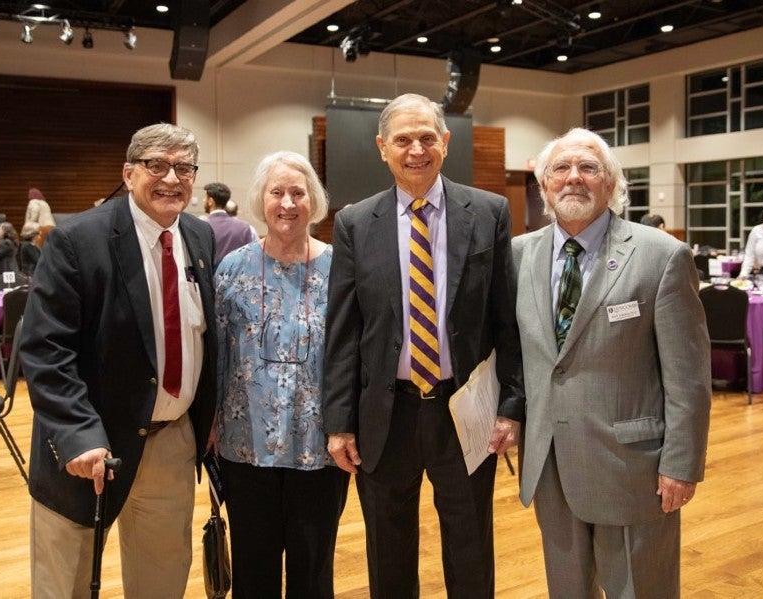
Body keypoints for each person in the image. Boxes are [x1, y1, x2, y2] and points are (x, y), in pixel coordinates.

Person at [323, 93, 525, 598]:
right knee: (387, 548)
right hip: (385, 414)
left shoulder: (489, 212)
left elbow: (507, 320)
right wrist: (339, 421)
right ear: (382, 148)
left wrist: (511, 407)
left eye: (427, 137)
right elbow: (344, 332)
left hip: (464, 408)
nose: (417, 149)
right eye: (403, 139)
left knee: (471, 544)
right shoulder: (353, 223)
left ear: (446, 142)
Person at [20, 123, 218, 598]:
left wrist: (209, 416)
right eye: (156, 165)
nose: (172, 177)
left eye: (184, 167)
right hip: (90, 450)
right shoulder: (77, 240)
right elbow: (46, 350)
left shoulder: (200, 237)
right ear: (128, 174)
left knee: (162, 582)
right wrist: (79, 436)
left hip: (171, 443)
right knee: (65, 582)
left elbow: (208, 340)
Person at [513, 127, 711, 598]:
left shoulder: (661, 255)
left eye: (589, 168)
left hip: (632, 467)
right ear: (544, 186)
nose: (573, 178)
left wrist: (681, 464)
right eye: (560, 168)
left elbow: (689, 377)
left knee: (640, 589)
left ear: (611, 183)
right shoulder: (519, 255)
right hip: (550, 462)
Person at [214, 151, 349, 598]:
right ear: (261, 200)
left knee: (314, 573)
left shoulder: (342, 270)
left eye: (298, 192)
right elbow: (216, 354)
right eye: (277, 192)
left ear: (314, 200)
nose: (288, 203)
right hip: (244, 447)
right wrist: (209, 424)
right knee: (254, 573)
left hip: (321, 448)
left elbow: (357, 355)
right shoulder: (231, 270)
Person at [204, 181, 256, 267]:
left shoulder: (201, 227)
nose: (203, 200)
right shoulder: (245, 228)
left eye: (205, 198)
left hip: (211, 279)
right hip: (239, 278)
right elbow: (252, 258)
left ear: (210, 201)